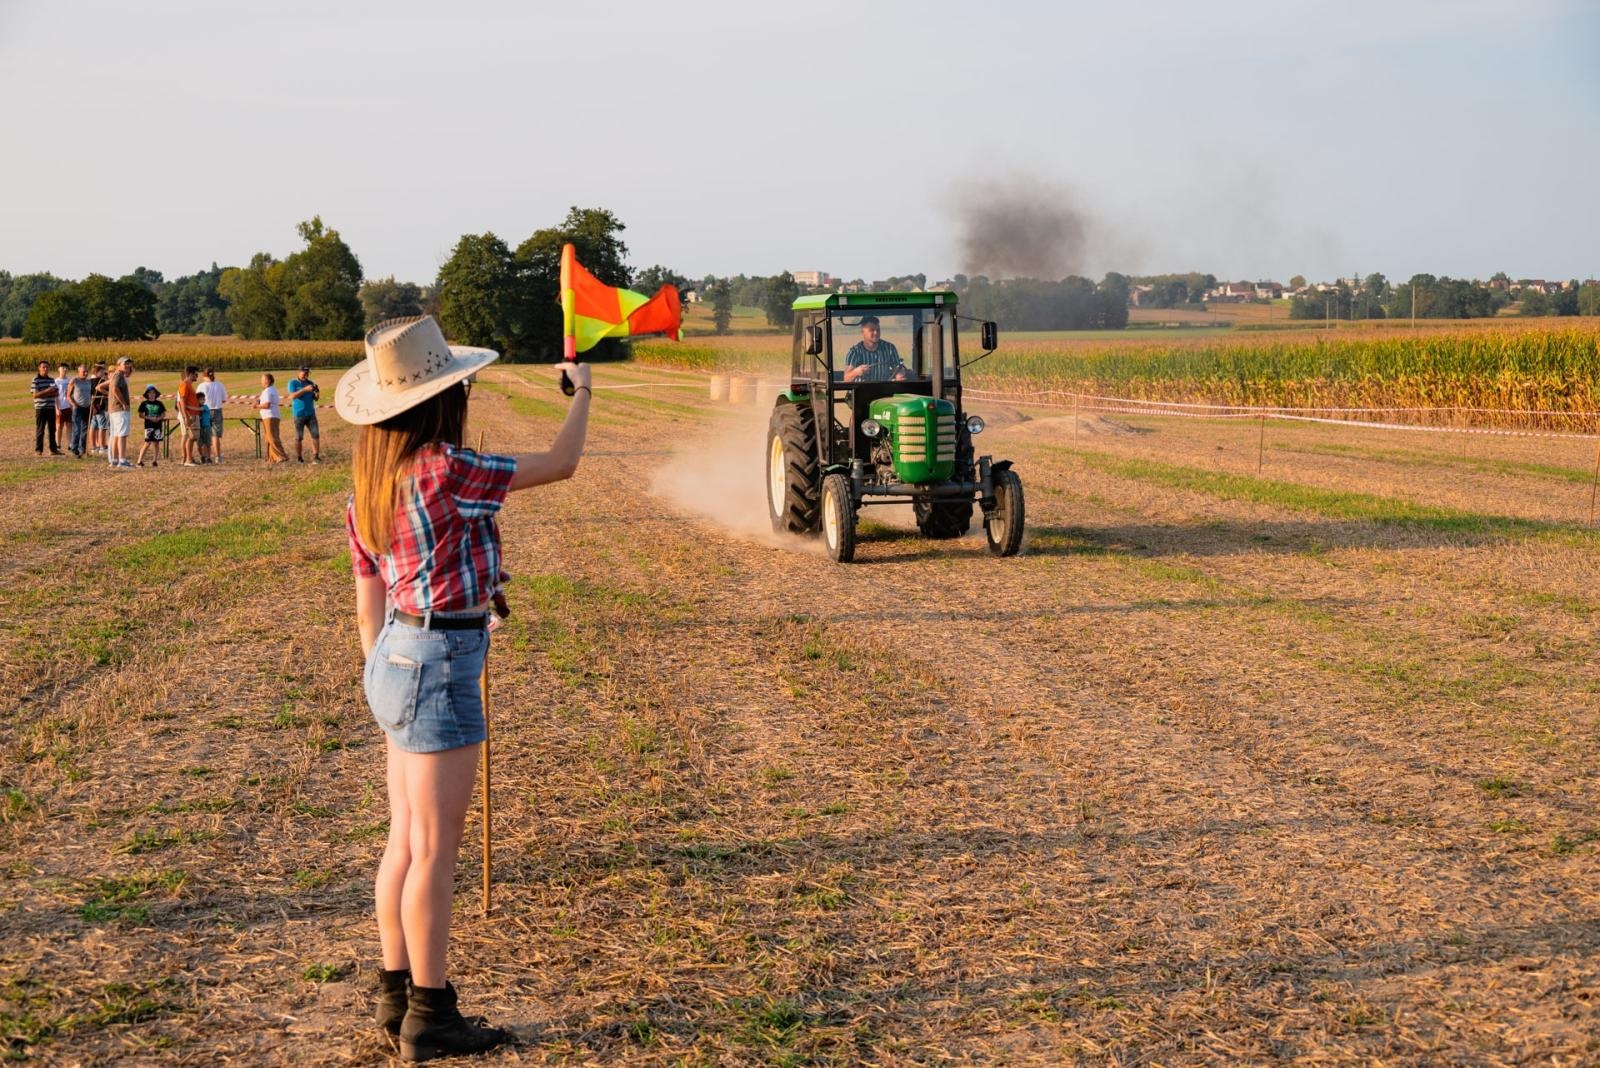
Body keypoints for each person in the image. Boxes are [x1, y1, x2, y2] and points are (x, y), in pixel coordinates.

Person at [338, 315, 593, 1061]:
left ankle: (394, 993)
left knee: (402, 843)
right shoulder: (449, 468)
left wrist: (399, 659)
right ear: (441, 399)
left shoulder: (368, 483)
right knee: (435, 855)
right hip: (439, 661)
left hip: (393, 657)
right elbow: (563, 462)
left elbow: (371, 599)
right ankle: (430, 1014)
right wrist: (582, 394)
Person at [841, 315, 909, 383]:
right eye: (872, 330)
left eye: (878, 330)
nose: (876, 333)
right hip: (862, 391)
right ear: (862, 331)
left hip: (884, 390)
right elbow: (846, 379)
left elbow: (897, 370)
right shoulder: (855, 352)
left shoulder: (890, 348)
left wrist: (899, 375)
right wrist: (856, 372)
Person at [99, 357, 135, 469]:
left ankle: (114, 460)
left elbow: (108, 388)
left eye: (128, 363)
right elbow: (114, 389)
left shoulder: (117, 375)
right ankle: (122, 460)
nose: (127, 365)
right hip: (119, 410)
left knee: (115, 435)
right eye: (125, 363)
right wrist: (123, 403)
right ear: (118, 365)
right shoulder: (118, 375)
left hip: (114, 410)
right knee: (122, 435)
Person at [287, 365, 322, 463]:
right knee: (299, 437)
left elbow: (315, 398)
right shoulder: (293, 383)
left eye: (308, 373)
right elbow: (292, 396)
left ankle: (316, 456)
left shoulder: (310, 383)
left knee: (315, 435)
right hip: (299, 414)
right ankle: (299, 458)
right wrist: (304, 390)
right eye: (305, 372)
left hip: (311, 414)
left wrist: (317, 394)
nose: (306, 374)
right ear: (299, 372)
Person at [30, 361, 62, 456]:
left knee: (52, 430)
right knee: (40, 430)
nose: (45, 369)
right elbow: (35, 395)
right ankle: (38, 450)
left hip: (51, 408)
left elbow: (56, 393)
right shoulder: (35, 380)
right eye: (43, 367)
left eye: (47, 367)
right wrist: (48, 391)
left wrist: (44, 393)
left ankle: (53, 450)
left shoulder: (51, 380)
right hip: (41, 408)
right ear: (39, 368)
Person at [256, 373, 288, 463]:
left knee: (272, 437)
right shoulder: (271, 390)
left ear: (268, 381)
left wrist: (256, 406)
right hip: (271, 416)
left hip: (270, 416)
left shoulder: (268, 391)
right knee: (269, 437)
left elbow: (267, 405)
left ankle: (281, 456)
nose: (261, 382)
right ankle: (272, 458)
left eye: (262, 379)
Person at [175, 366, 203, 467]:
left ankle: (189, 458)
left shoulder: (189, 385)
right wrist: (186, 417)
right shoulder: (185, 385)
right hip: (189, 415)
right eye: (196, 374)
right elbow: (182, 402)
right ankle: (188, 460)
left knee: (192, 437)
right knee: (190, 437)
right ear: (190, 374)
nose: (197, 376)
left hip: (193, 415)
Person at [201, 368, 227, 464]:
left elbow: (197, 399)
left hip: (205, 411)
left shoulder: (202, 386)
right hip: (217, 410)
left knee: (205, 434)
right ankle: (218, 457)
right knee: (215, 435)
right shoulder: (219, 385)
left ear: (204, 376)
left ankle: (206, 456)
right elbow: (224, 399)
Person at [135, 386, 166, 468]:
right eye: (150, 393)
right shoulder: (144, 404)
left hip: (158, 425)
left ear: (156, 394)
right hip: (149, 426)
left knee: (156, 443)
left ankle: (154, 461)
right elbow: (140, 415)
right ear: (147, 394)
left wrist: (159, 418)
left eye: (153, 393)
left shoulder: (159, 403)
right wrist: (150, 418)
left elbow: (163, 413)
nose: (152, 394)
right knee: (147, 443)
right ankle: (139, 461)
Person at [68, 365, 93, 458]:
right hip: (78, 409)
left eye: (87, 371)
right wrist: (74, 405)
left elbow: (91, 394)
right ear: (78, 372)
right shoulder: (74, 381)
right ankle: (75, 450)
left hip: (87, 408)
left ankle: (83, 450)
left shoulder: (89, 381)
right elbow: (68, 395)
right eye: (84, 372)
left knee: (85, 430)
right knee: (77, 430)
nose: (86, 373)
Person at [88, 363, 109, 455]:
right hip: (99, 406)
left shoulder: (90, 381)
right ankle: (102, 447)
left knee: (93, 426)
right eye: (101, 371)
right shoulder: (101, 381)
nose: (103, 373)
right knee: (102, 427)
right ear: (97, 372)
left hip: (92, 406)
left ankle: (93, 447)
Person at [53, 364, 72, 446]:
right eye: (62, 368)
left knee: (69, 425)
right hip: (60, 406)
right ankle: (58, 444)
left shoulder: (70, 380)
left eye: (66, 368)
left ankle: (69, 444)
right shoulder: (56, 381)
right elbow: (55, 396)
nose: (64, 369)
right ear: (58, 369)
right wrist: (57, 408)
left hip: (69, 406)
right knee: (59, 426)